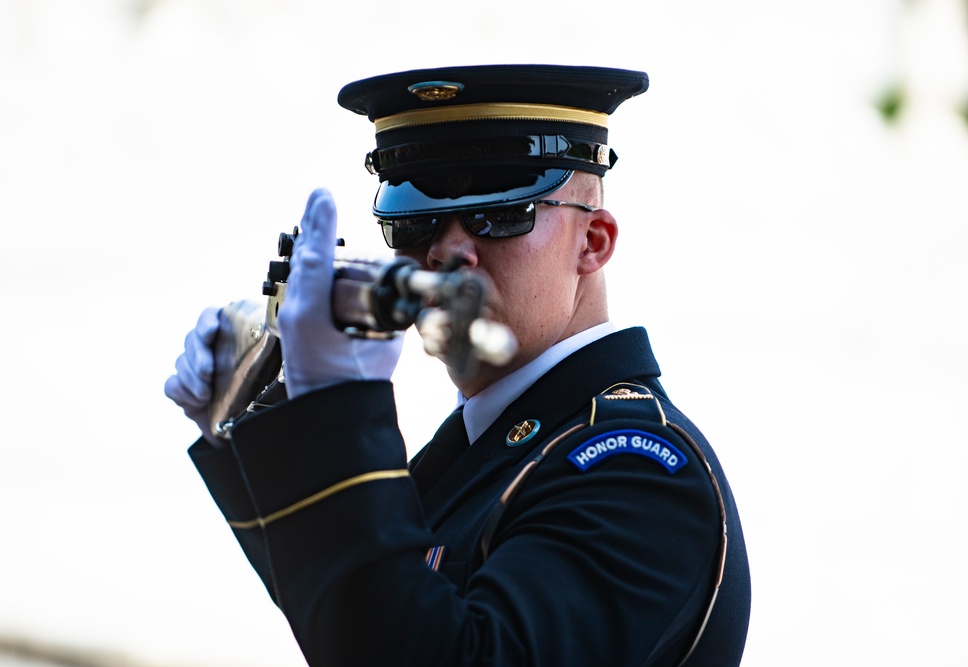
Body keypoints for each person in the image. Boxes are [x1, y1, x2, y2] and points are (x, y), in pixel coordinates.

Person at [165, 64, 751, 666]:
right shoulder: (494, 448)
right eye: (414, 220)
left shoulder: (635, 469)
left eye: (501, 213)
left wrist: (335, 412)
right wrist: (266, 419)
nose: (445, 250)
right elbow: (361, 629)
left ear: (593, 241)